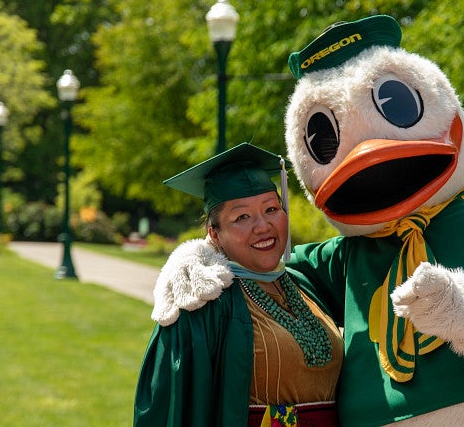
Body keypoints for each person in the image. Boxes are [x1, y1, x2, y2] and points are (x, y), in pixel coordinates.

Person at [133, 142, 344, 427]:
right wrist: (188, 255)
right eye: (242, 217)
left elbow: (367, 248)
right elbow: (168, 405)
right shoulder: (203, 300)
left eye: (271, 209)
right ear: (214, 234)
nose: (263, 226)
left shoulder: (305, 279)